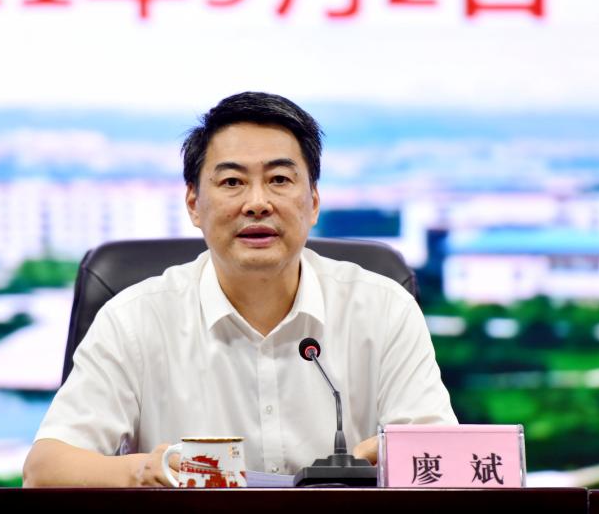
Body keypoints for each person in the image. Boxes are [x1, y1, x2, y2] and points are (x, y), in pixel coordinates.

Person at [23, 92, 455, 487]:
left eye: (279, 179)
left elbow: (445, 465)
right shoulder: (135, 319)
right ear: (194, 204)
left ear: (313, 202)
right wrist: (142, 471)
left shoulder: (383, 309)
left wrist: (391, 461)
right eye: (232, 182)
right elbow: (44, 470)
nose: (257, 203)